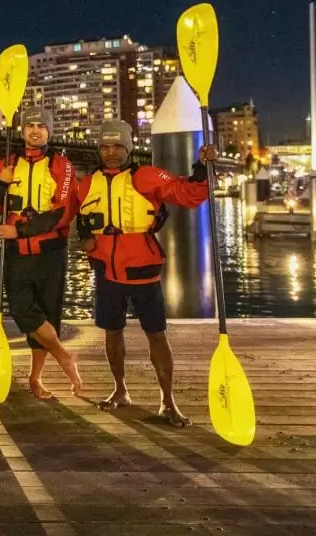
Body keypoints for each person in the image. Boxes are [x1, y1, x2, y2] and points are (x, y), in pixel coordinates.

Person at [77, 119, 216, 427]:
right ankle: (120, 389)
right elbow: (74, 215)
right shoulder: (87, 183)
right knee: (111, 332)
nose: (111, 152)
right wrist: (82, 236)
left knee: (156, 334)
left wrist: (202, 169)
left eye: (117, 146)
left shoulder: (147, 176)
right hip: (106, 270)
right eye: (105, 146)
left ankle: (168, 401)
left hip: (142, 270)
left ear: (127, 147)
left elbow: (187, 194)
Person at [0, 106, 83, 399]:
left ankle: (35, 378)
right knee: (21, 309)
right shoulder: (9, 163)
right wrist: (1, 181)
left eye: (42, 126)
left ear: (49, 132)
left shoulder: (61, 165)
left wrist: (22, 230)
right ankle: (64, 356)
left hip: (50, 251)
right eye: (30, 126)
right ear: (22, 131)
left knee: (46, 313)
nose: (35, 130)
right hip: (17, 253)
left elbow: (63, 211)